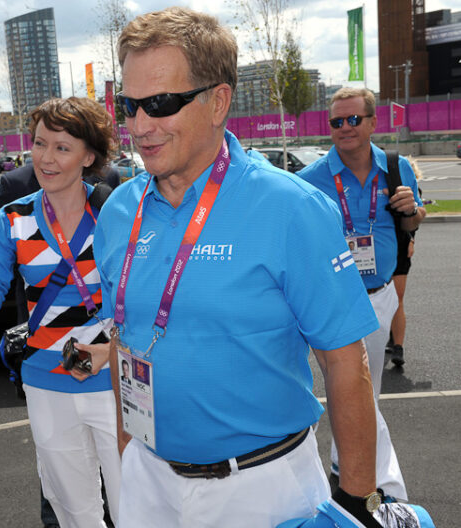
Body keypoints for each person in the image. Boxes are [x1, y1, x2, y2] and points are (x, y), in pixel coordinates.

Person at [93, 8, 385, 527]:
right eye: (129, 106)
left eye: (160, 104)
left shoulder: (290, 208)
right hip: (147, 482)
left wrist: (356, 501)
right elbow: (125, 341)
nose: (139, 126)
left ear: (218, 101)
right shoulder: (119, 212)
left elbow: (345, 361)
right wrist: (128, 458)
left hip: (262, 490)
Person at [0, 97, 121, 528]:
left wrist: (112, 349)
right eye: (39, 144)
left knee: (139, 506)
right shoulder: (14, 218)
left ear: (89, 156)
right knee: (74, 513)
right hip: (47, 385)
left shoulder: (117, 212)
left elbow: (142, 294)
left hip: (116, 381)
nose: (46, 158)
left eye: (62, 148)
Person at [297, 87, 425, 502]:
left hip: (382, 294)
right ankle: (384, 490)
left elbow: (412, 224)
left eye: (354, 120)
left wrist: (412, 210)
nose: (345, 129)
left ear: (373, 122)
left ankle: (343, 469)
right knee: (356, 392)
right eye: (337, 122)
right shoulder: (310, 180)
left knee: (360, 394)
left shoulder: (395, 166)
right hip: (334, 302)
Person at [387, 156, 423, 367]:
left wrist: (411, 240)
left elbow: (413, 218)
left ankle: (398, 347)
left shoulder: (409, 189)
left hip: (400, 243)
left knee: (397, 298)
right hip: (375, 248)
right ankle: (389, 336)